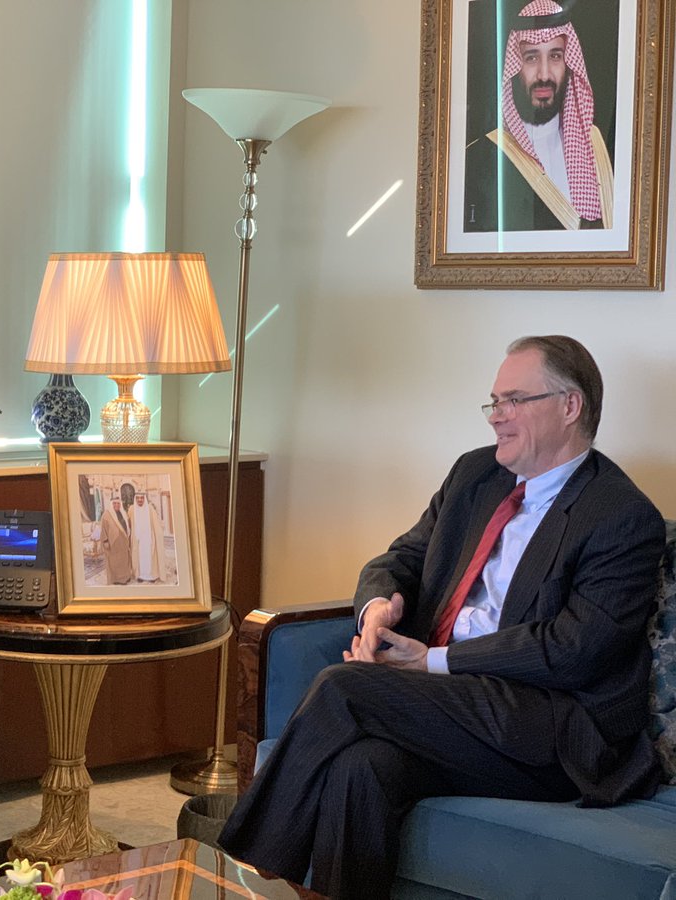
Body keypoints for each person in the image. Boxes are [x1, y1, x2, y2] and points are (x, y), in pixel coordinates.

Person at [218, 336, 664, 900]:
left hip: (549, 729)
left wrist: (432, 661)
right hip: (455, 709)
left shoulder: (620, 516)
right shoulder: (475, 475)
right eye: (494, 402)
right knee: (362, 766)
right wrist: (378, 610)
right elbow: (398, 560)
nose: (496, 416)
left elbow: (572, 650)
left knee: (343, 687)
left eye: (514, 401)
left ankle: (235, 867)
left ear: (570, 406)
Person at [464, 0, 613, 232]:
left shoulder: (599, 147)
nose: (544, 74)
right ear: (515, 66)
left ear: (569, 63)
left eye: (555, 56)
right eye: (531, 58)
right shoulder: (481, 158)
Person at [98, 492, 133, 585]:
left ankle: (126, 577)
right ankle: (116, 579)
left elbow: (128, 525)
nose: (116, 505)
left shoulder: (123, 513)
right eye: (114, 503)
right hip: (113, 543)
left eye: (118, 503)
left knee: (124, 561)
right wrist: (105, 541)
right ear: (111, 504)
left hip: (124, 542)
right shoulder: (106, 515)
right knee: (115, 562)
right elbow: (103, 529)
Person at [129, 491, 165, 583]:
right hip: (138, 540)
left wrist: (158, 533)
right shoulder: (132, 509)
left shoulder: (150, 509)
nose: (140, 500)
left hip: (148, 539)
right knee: (139, 558)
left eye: (141, 498)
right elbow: (129, 523)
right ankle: (140, 575)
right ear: (135, 499)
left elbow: (156, 523)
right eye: (138, 498)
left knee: (149, 557)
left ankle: (151, 576)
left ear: (144, 499)